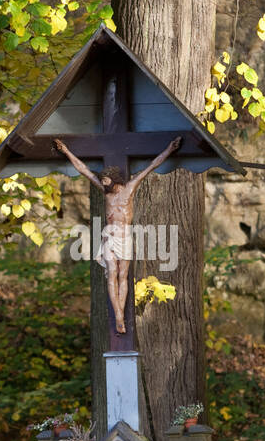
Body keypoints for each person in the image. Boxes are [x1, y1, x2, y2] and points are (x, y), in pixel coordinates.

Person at [53, 136, 183, 334]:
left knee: (123, 276)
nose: (103, 185)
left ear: (114, 180)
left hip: (125, 238)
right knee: (111, 274)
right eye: (102, 182)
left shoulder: (129, 188)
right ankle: (118, 317)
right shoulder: (106, 193)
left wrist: (169, 150)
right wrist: (66, 151)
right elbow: (84, 170)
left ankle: (120, 313)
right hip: (109, 238)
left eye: (106, 182)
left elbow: (151, 166)